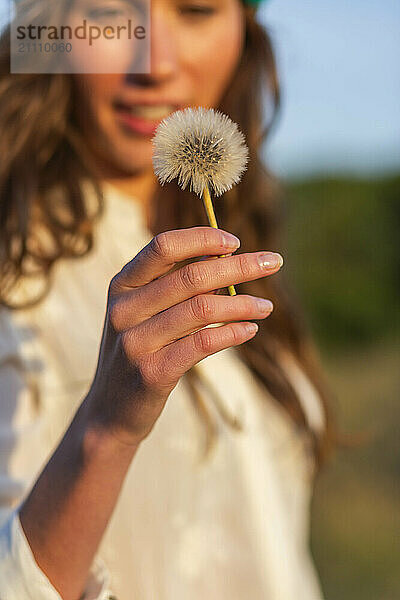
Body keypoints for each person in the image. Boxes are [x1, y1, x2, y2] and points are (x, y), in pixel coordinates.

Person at [0, 0, 333, 598]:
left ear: (243, 31)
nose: (151, 61)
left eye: (197, 9)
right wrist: (105, 430)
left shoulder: (245, 249)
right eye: (108, 13)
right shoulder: (12, 285)